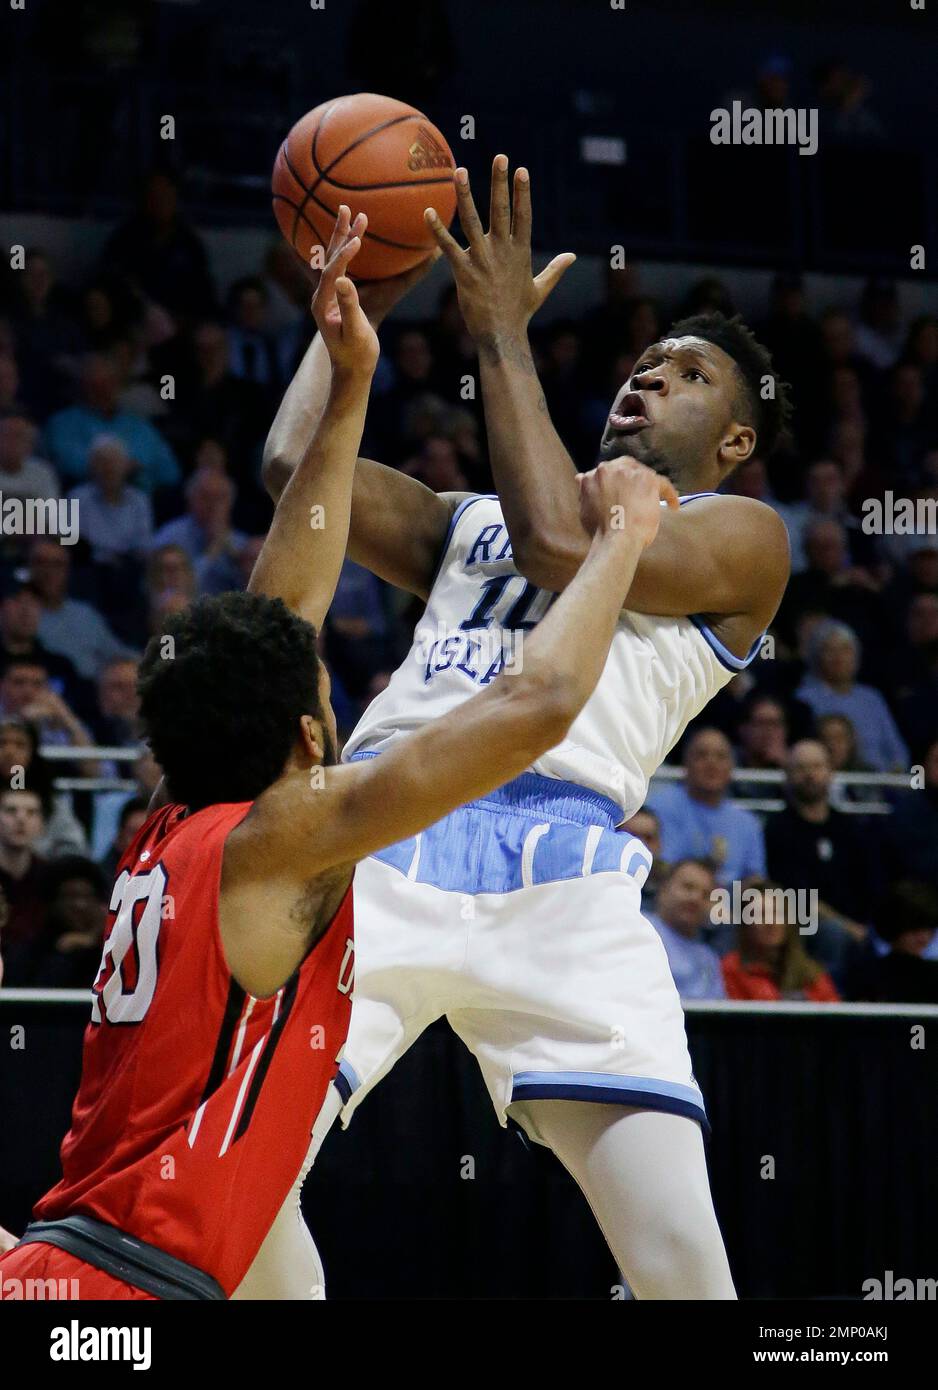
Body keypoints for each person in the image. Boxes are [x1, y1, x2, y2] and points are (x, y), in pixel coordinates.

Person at [0, 211, 670, 1302]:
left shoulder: (176, 816)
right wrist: (622, 538)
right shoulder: (290, 835)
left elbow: (286, 597)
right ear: (312, 737)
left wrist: (351, 378)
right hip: (126, 1296)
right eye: (324, 691)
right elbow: (539, 697)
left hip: (70, 1261)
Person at [253, 163, 793, 1302]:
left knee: (684, 1265)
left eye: (686, 376)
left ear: (735, 442)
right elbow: (292, 476)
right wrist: (367, 299)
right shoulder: (474, 519)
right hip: (379, 831)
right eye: (643, 365)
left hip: (566, 880)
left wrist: (496, 333)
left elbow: (562, 542)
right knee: (242, 1190)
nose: (648, 378)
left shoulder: (740, 539)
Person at [765, 739, 877, 977]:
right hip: (803, 920)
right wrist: (849, 927)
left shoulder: (850, 827)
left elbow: (869, 883)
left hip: (856, 922)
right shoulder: (778, 828)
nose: (810, 775)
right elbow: (796, 894)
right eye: (801, 768)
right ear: (787, 775)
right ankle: (829, 1006)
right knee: (832, 934)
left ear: (830, 772)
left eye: (816, 767)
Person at [648, 727, 767, 886]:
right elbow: (655, 868)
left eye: (721, 757)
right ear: (686, 764)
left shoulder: (747, 822)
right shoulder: (658, 808)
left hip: (727, 907)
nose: (712, 763)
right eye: (701, 755)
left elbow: (755, 880)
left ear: (732, 767)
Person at [721, 880, 840, 1002]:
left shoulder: (810, 973)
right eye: (760, 914)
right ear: (745, 925)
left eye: (777, 913)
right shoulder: (731, 970)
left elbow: (833, 1015)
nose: (770, 922)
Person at [645, 859, 726, 1002]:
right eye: (688, 887)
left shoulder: (709, 959)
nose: (695, 898)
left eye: (705, 895)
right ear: (664, 889)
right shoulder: (641, 928)